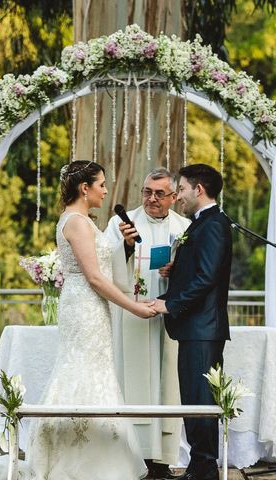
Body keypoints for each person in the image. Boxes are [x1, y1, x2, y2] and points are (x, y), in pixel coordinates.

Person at [0, 161, 156, 480]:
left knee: (95, 372)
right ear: (84, 188)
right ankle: (69, 456)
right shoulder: (76, 222)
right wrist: (134, 307)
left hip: (93, 307)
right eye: (101, 184)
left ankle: (93, 451)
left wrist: (124, 246)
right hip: (84, 307)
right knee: (79, 371)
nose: (105, 189)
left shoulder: (85, 220)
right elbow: (95, 278)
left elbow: (101, 264)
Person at [104, 167, 190, 479]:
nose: (151, 199)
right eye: (147, 192)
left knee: (167, 384)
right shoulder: (121, 223)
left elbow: (197, 274)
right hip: (132, 314)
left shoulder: (185, 227)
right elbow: (102, 265)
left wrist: (175, 270)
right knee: (134, 383)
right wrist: (126, 247)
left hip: (168, 317)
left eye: (159, 193)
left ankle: (162, 461)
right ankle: (130, 457)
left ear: (173, 196)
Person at [153, 164, 232, 480]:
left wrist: (169, 304)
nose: (178, 195)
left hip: (202, 329)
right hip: (195, 328)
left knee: (200, 400)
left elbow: (207, 278)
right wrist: (178, 268)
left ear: (199, 189)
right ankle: (200, 466)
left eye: (181, 189)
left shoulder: (213, 225)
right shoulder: (201, 223)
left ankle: (205, 469)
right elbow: (199, 269)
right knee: (194, 398)